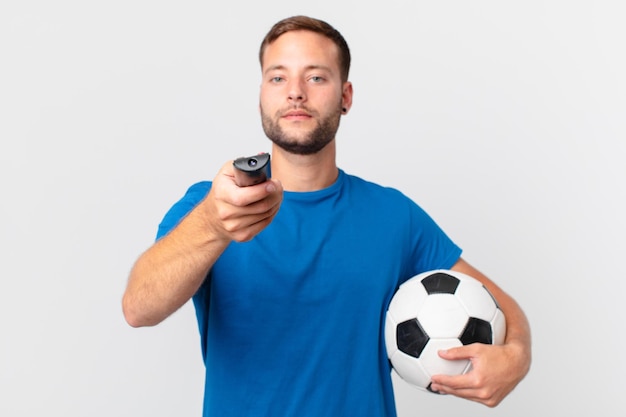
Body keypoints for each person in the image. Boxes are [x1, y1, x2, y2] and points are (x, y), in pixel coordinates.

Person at [122, 15, 531, 417]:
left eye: (316, 77)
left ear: (346, 96)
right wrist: (212, 224)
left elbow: (502, 307)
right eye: (278, 77)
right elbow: (139, 307)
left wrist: (516, 356)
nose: (295, 92)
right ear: (262, 94)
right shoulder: (213, 204)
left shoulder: (393, 215)